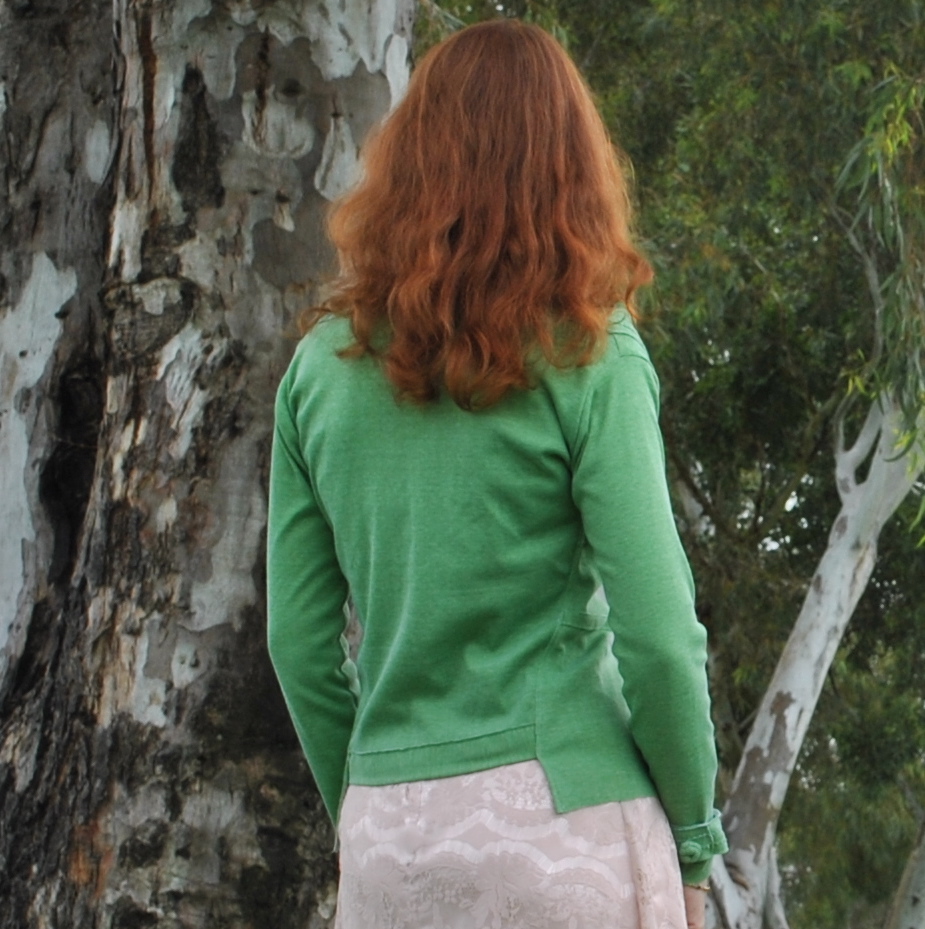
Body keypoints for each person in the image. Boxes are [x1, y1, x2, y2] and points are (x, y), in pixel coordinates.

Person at [267, 18, 727, 929]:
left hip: (389, 842)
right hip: (565, 822)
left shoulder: (318, 370)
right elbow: (659, 638)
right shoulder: (589, 350)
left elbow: (297, 644)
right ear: (570, 168)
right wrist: (694, 839)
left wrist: (369, 801)